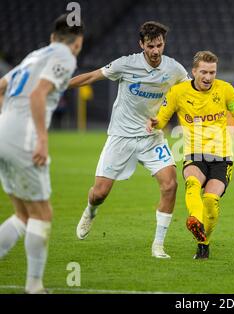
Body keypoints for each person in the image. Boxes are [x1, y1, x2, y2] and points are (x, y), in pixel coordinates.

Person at [69, 21, 189, 259]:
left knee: (170, 185)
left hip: (152, 137)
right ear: (141, 44)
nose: (156, 51)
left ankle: (158, 245)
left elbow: (193, 92)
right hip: (121, 137)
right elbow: (92, 76)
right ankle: (90, 211)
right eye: (151, 46)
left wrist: (231, 106)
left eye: (160, 45)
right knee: (99, 193)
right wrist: (58, 86)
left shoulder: (174, 69)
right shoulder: (125, 64)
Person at [0, 14, 83, 293]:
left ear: (53, 37)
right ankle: (34, 286)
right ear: (78, 42)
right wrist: (42, 140)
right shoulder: (65, 56)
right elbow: (38, 95)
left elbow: (1, 86)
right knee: (42, 214)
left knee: (23, 215)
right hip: (24, 139)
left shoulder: (34, 55)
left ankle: (34, 286)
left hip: (3, 134)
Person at [147, 51, 234, 259]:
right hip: (194, 153)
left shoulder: (225, 89)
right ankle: (194, 220)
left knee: (211, 202)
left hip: (222, 157)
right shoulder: (178, 92)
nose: (208, 77)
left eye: (212, 72)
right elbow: (162, 118)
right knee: (192, 183)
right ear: (194, 71)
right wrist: (155, 124)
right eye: (204, 72)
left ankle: (203, 242)